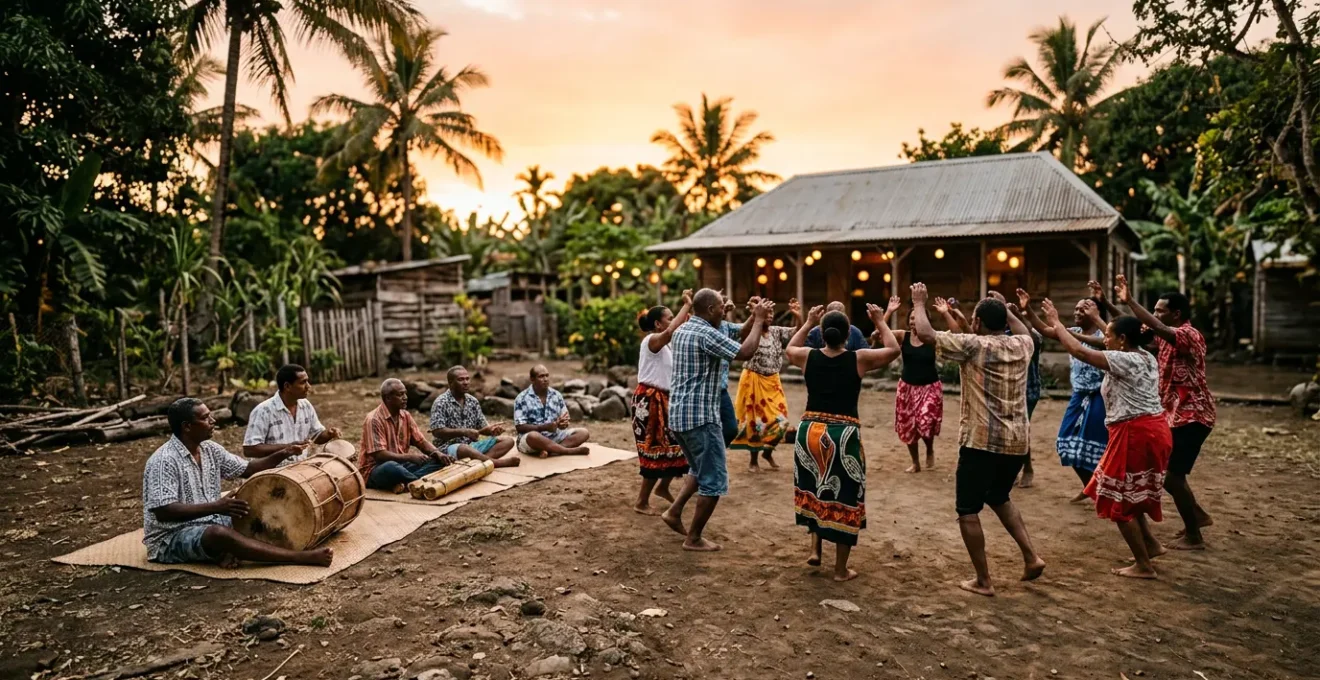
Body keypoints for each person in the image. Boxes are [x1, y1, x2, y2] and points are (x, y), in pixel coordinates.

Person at [909, 283, 1046, 596]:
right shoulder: (1023, 345)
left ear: (980, 323)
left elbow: (928, 335)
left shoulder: (975, 345)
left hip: (981, 441)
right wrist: (1009, 309)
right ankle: (1031, 557)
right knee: (998, 496)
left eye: (974, 317)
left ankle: (984, 580)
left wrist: (919, 302)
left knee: (967, 508)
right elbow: (1023, 329)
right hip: (1015, 442)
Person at [1043, 299, 1172, 578]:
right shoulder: (1144, 356)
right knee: (1127, 491)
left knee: (1116, 499)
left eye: (1108, 336)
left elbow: (1079, 350)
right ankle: (1150, 544)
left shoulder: (1123, 359)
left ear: (1122, 340)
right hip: (1150, 430)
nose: (1104, 340)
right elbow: (1107, 340)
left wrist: (1056, 321)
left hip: (1135, 433)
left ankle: (1143, 565)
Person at [142, 398, 333, 567]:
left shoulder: (210, 450)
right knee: (218, 534)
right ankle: (298, 558)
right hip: (170, 537)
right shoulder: (164, 460)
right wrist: (216, 506)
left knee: (255, 509)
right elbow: (163, 511)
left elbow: (248, 469)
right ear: (187, 426)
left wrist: (284, 452)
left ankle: (227, 551)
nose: (213, 421)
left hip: (210, 520)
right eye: (205, 418)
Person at [785, 303, 901, 581]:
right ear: (848, 335)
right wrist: (880, 321)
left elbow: (790, 347)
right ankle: (840, 569)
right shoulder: (858, 359)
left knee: (815, 490)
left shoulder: (808, 356)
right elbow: (894, 349)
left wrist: (808, 321)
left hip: (810, 432)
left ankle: (815, 550)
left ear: (821, 334)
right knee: (845, 497)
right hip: (843, 435)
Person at [661, 290, 773, 551]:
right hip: (701, 418)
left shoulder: (686, 329)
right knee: (714, 481)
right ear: (711, 309)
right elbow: (745, 351)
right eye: (722, 307)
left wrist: (754, 319)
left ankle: (675, 512)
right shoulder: (706, 333)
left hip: (680, 417)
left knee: (701, 471)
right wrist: (757, 321)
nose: (726, 310)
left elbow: (734, 335)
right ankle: (694, 538)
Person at [1114, 275, 1216, 550]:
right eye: (1155, 309)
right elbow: (1128, 330)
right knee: (1169, 474)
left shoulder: (1188, 334)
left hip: (1194, 415)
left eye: (1160, 310)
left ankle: (1195, 536)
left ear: (1177, 314)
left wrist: (1130, 301)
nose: (1156, 315)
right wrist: (1107, 306)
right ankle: (1198, 516)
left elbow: (1157, 327)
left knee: (1172, 476)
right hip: (1175, 415)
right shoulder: (1164, 336)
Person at [1020, 288, 1110, 500]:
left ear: (1096, 313)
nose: (1077, 312)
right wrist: (1029, 310)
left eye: (1083, 309)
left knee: (1096, 449)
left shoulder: (1104, 336)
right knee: (1065, 443)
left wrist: (1096, 318)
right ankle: (1090, 486)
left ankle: (1103, 492)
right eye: (1076, 308)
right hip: (1078, 396)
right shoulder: (1068, 330)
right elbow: (1045, 329)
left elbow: (1112, 340)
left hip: (1100, 397)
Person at [633, 291, 694, 514]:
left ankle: (663, 487)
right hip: (650, 401)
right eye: (669, 317)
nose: (671, 321)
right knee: (654, 451)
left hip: (664, 400)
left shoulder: (666, 346)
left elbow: (679, 327)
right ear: (658, 324)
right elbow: (671, 331)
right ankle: (641, 502)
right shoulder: (652, 341)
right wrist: (686, 304)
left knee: (676, 448)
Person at [731, 297, 802, 472]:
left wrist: (798, 316)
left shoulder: (777, 332)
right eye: (767, 313)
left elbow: (798, 333)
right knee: (755, 423)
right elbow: (743, 338)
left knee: (781, 421)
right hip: (753, 381)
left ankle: (767, 452)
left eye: (771, 313)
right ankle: (753, 460)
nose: (770, 316)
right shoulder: (750, 332)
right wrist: (755, 315)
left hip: (773, 381)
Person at [881, 295, 944, 472]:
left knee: (925, 423)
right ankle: (915, 462)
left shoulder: (933, 339)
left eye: (917, 318)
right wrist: (889, 312)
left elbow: (957, 334)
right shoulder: (903, 336)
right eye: (911, 318)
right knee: (908, 427)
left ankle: (929, 449)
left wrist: (948, 314)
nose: (913, 322)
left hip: (930, 387)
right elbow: (880, 333)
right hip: (907, 388)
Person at [359, 379, 451, 492]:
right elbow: (379, 455)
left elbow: (421, 442)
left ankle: (405, 483)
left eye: (405, 393)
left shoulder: (405, 415)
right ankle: (418, 483)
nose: (405, 397)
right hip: (376, 469)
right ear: (388, 398)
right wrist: (409, 457)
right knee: (391, 467)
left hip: (402, 465)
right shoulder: (373, 419)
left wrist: (437, 453)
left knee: (438, 460)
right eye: (400, 394)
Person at [242, 363, 343, 466]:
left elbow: (316, 436)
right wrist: (287, 448)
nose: (308, 386)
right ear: (287, 386)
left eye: (307, 381)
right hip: (270, 474)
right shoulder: (263, 411)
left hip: (298, 470)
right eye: (303, 382)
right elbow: (250, 449)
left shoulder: (306, 406)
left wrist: (329, 434)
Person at [429, 365, 520, 468]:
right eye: (461, 380)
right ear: (451, 383)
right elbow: (437, 431)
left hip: (472, 447)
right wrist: (464, 432)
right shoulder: (440, 402)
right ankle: (495, 463)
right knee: (463, 448)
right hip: (448, 449)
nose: (466, 382)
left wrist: (491, 431)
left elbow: (482, 428)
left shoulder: (473, 401)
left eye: (467, 379)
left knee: (508, 441)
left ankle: (480, 463)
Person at [514, 365, 591, 457]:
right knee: (533, 436)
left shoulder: (556, 395)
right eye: (541, 376)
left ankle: (551, 451)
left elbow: (565, 419)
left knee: (583, 432)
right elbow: (520, 427)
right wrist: (544, 427)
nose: (545, 379)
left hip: (554, 436)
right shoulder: (521, 398)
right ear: (532, 379)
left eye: (547, 375)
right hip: (531, 440)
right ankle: (567, 451)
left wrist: (563, 424)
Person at [805, 301, 869, 350]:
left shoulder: (854, 331)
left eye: (839, 316)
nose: (836, 319)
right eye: (833, 316)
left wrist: (809, 322)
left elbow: (866, 353)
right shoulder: (815, 331)